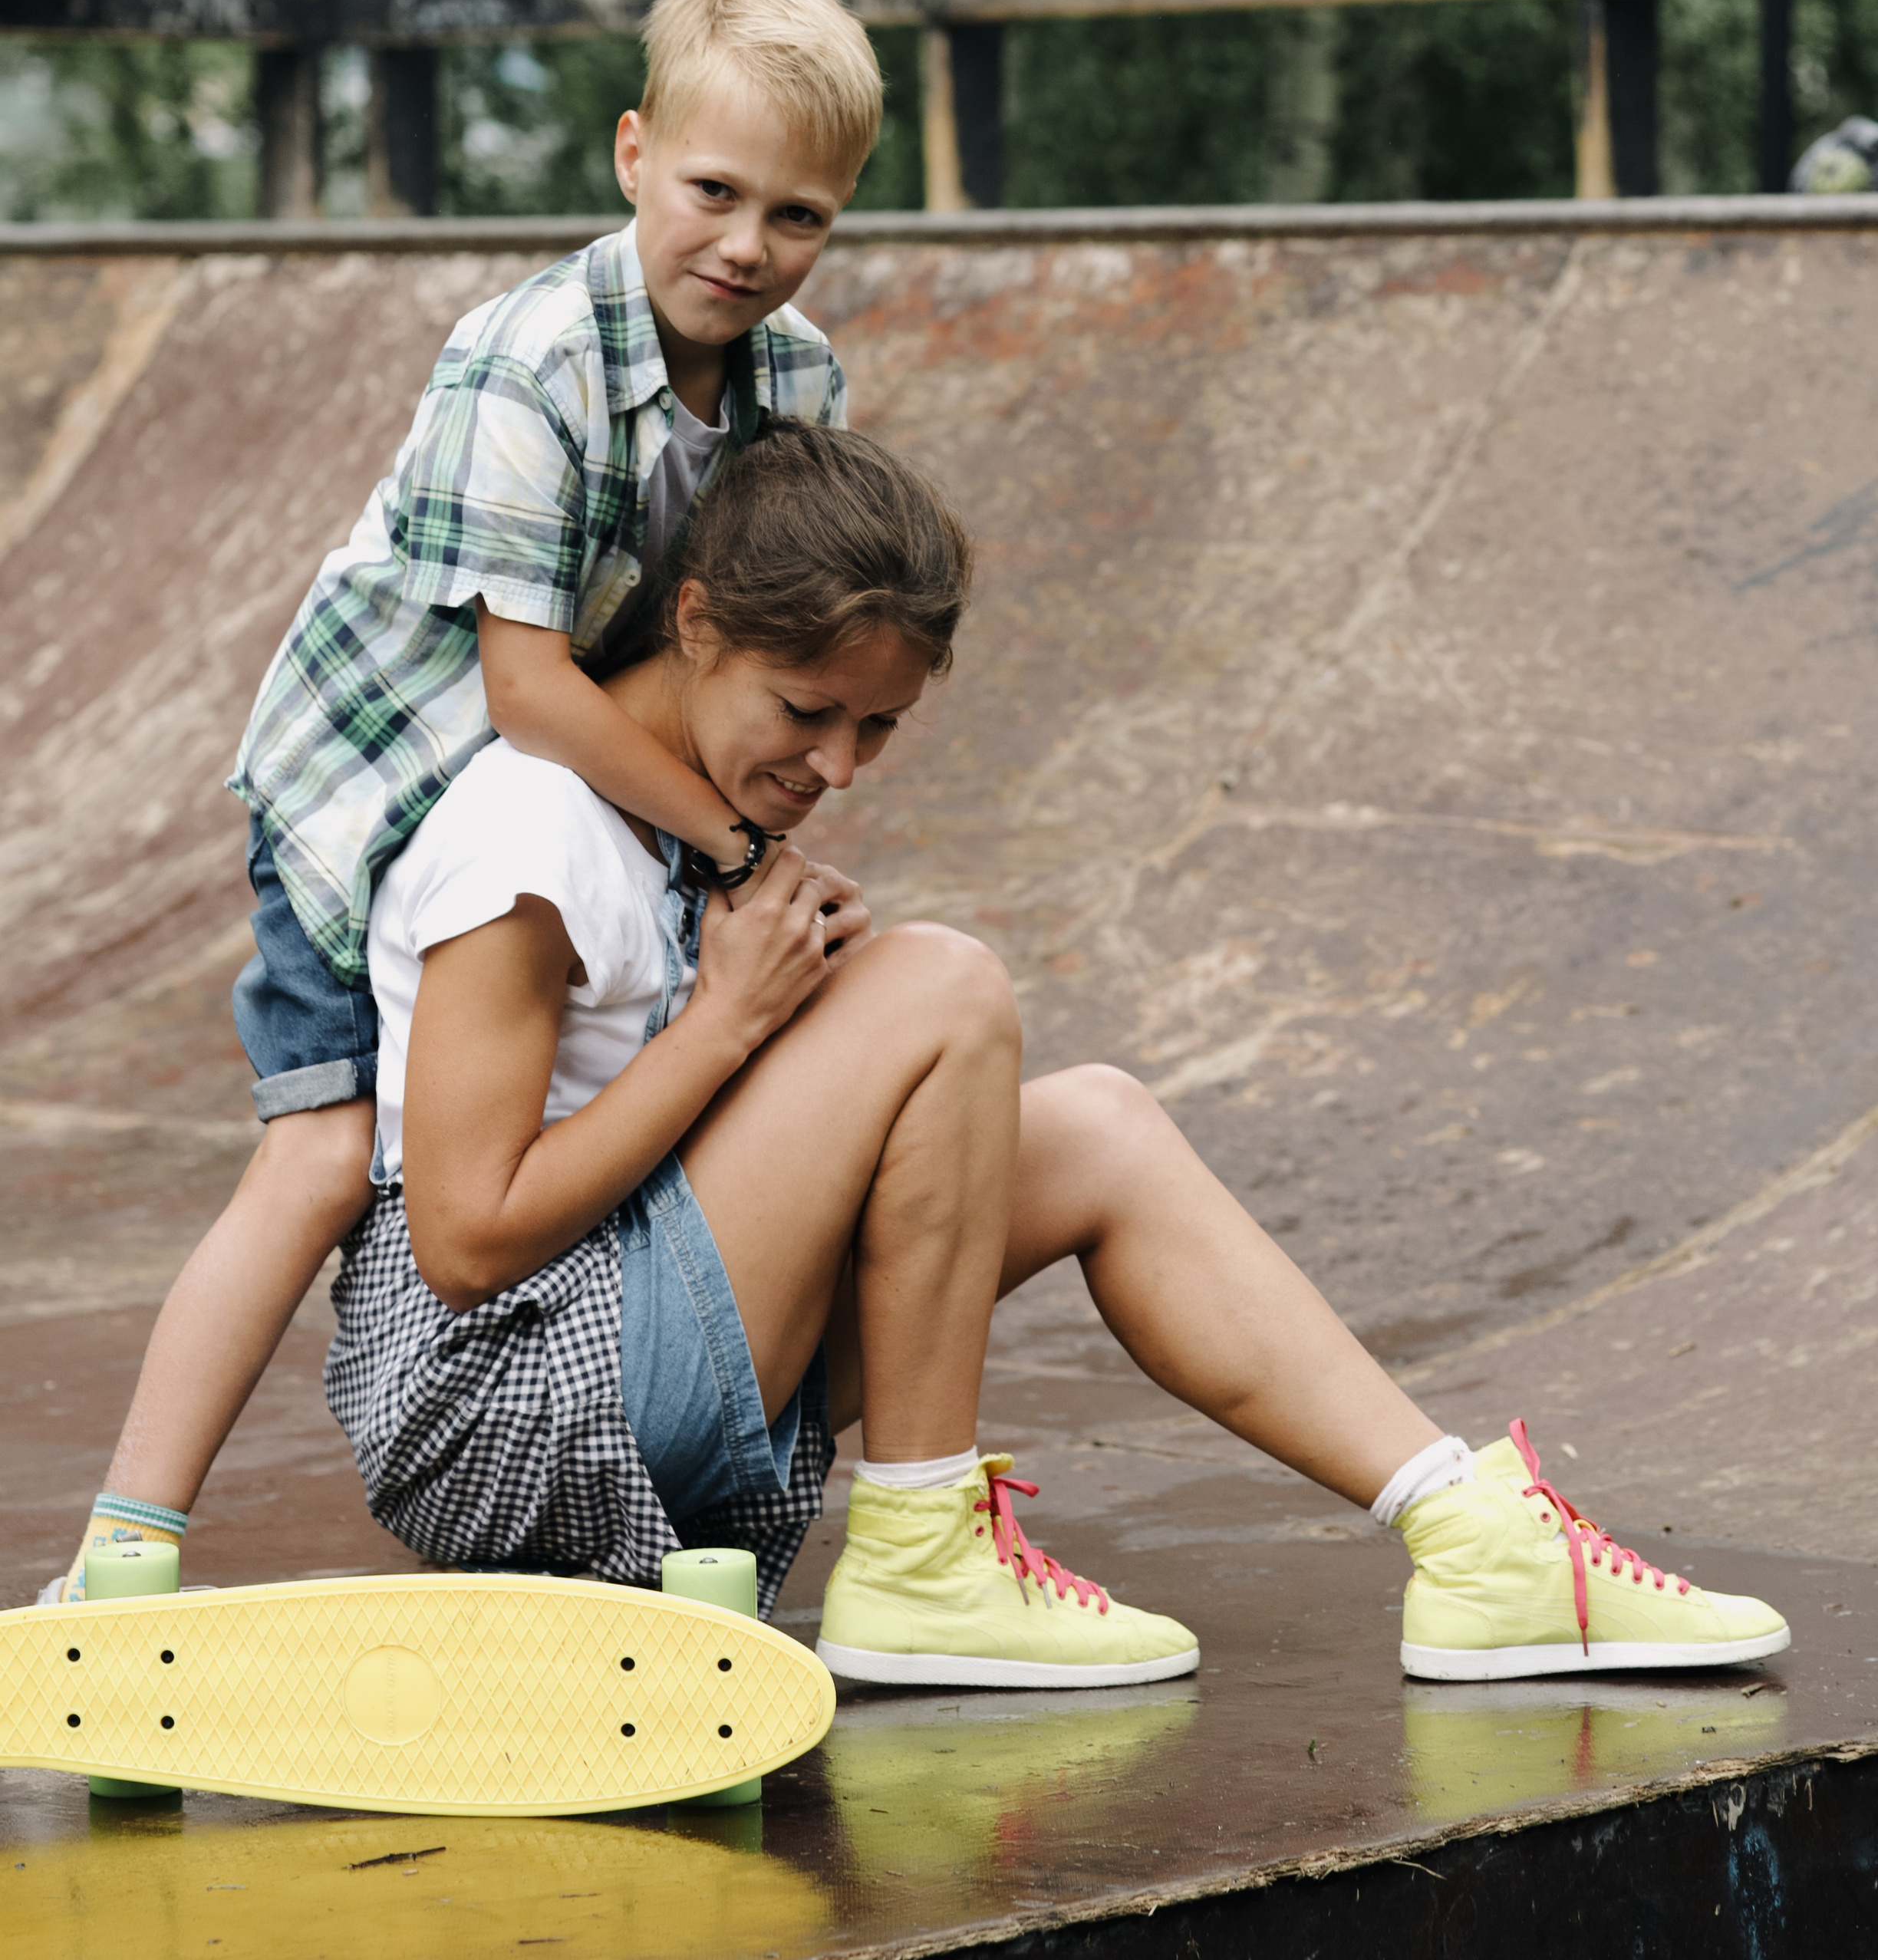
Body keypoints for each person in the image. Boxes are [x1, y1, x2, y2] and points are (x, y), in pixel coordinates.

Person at [326, 420, 1791, 1687]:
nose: (838, 768)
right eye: (809, 712)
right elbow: (463, 1242)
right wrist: (726, 1027)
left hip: (631, 1343)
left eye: (880, 728)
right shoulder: (525, 838)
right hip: (505, 1410)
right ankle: (920, 1555)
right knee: (941, 987)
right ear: (695, 620)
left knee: (1097, 1124)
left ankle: (1472, 1540)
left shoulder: (687, 818)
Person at [46, 0, 881, 1605]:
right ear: (633, 153)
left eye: (797, 215)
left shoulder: (799, 382)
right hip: (371, 805)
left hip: (560, 809)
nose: (744, 244)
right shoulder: (528, 361)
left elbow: (772, 630)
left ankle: (625, 1438)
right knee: (321, 1154)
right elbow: (524, 686)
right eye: (712, 192)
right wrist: (726, 847)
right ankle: (123, 1554)